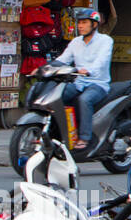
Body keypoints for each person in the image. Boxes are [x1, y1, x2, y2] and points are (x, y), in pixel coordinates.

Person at [49, 9, 114, 152]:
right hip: (78, 82)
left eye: (84, 23)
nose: (80, 26)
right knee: (57, 96)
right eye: (79, 23)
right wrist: (45, 68)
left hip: (97, 84)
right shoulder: (75, 42)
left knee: (84, 100)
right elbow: (63, 59)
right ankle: (58, 133)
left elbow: (101, 61)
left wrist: (88, 70)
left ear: (94, 25)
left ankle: (85, 138)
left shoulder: (105, 41)